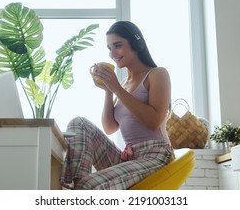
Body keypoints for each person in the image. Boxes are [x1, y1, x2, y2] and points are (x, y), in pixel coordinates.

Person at [59, 21, 174, 190]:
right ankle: (77, 186)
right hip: (128, 157)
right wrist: (108, 91)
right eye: (109, 48)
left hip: (156, 155)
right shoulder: (123, 84)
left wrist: (116, 88)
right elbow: (110, 127)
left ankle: (82, 189)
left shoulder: (157, 74)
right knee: (79, 123)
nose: (112, 53)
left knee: (88, 185)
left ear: (136, 44)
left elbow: (154, 121)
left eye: (117, 46)